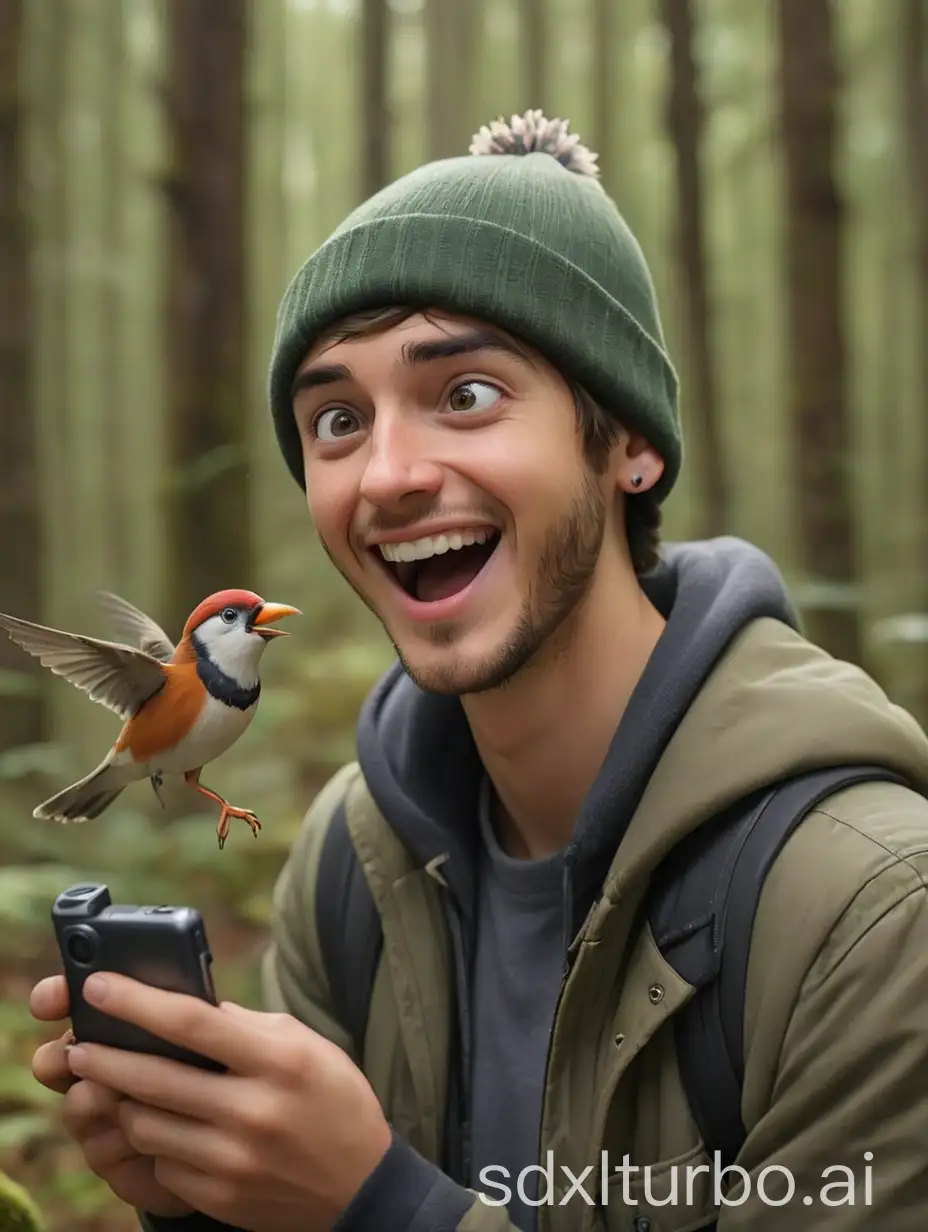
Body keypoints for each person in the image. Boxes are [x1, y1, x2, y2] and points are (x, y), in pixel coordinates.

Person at [28, 110, 928, 1232]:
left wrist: (385, 1206)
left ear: (630, 444)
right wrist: (214, 1205)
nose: (388, 475)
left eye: (465, 393)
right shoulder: (350, 870)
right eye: (337, 418)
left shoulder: (873, 914)